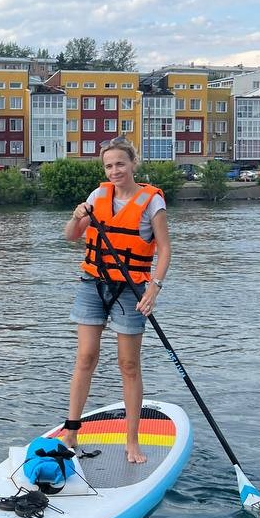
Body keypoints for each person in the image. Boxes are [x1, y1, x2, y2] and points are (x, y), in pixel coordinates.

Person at [58, 139, 171, 465]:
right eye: (109, 166)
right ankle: (71, 431)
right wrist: (76, 215)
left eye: (120, 163)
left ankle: (132, 440)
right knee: (86, 357)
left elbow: (164, 249)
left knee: (129, 365)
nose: (115, 171)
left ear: (133, 163)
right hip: (93, 285)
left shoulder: (152, 203)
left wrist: (154, 288)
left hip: (131, 290)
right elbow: (71, 236)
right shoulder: (98, 197)